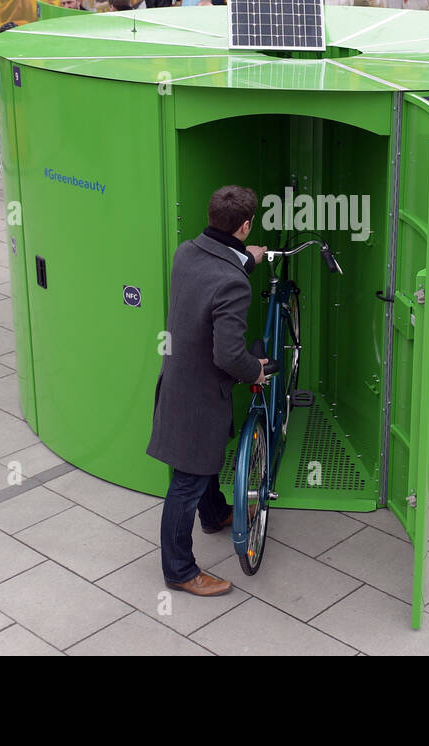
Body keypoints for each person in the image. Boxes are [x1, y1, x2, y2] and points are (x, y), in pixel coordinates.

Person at [147, 186, 270, 597]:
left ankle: (215, 513)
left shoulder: (187, 253)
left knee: (202, 464)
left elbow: (211, 281)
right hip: (200, 398)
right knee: (187, 481)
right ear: (246, 224)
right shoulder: (234, 284)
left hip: (178, 382)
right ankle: (179, 570)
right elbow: (229, 355)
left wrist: (244, 261)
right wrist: (256, 370)